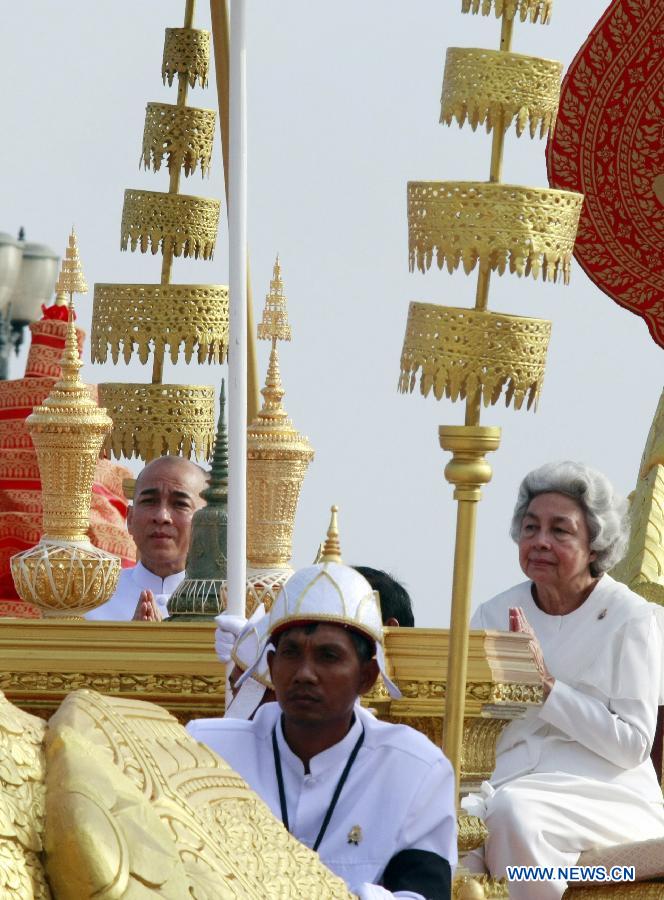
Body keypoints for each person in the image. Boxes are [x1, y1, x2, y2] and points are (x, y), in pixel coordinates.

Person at [188, 513, 456, 899]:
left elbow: (421, 894)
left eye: (328, 656)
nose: (305, 673)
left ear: (366, 676)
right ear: (271, 664)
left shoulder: (414, 769)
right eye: (291, 654)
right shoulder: (209, 752)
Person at [463, 461, 664, 900]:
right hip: (506, 782)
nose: (540, 542)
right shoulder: (494, 615)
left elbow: (632, 744)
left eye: (560, 531)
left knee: (514, 817)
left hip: (604, 793)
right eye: (531, 527)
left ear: (595, 544)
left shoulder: (632, 618)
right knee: (445, 829)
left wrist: (547, 689)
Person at [86, 456, 208, 622]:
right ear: (129, 519)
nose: (161, 516)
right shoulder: (92, 599)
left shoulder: (226, 602)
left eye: (180, 504)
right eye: (149, 501)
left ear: (206, 521)